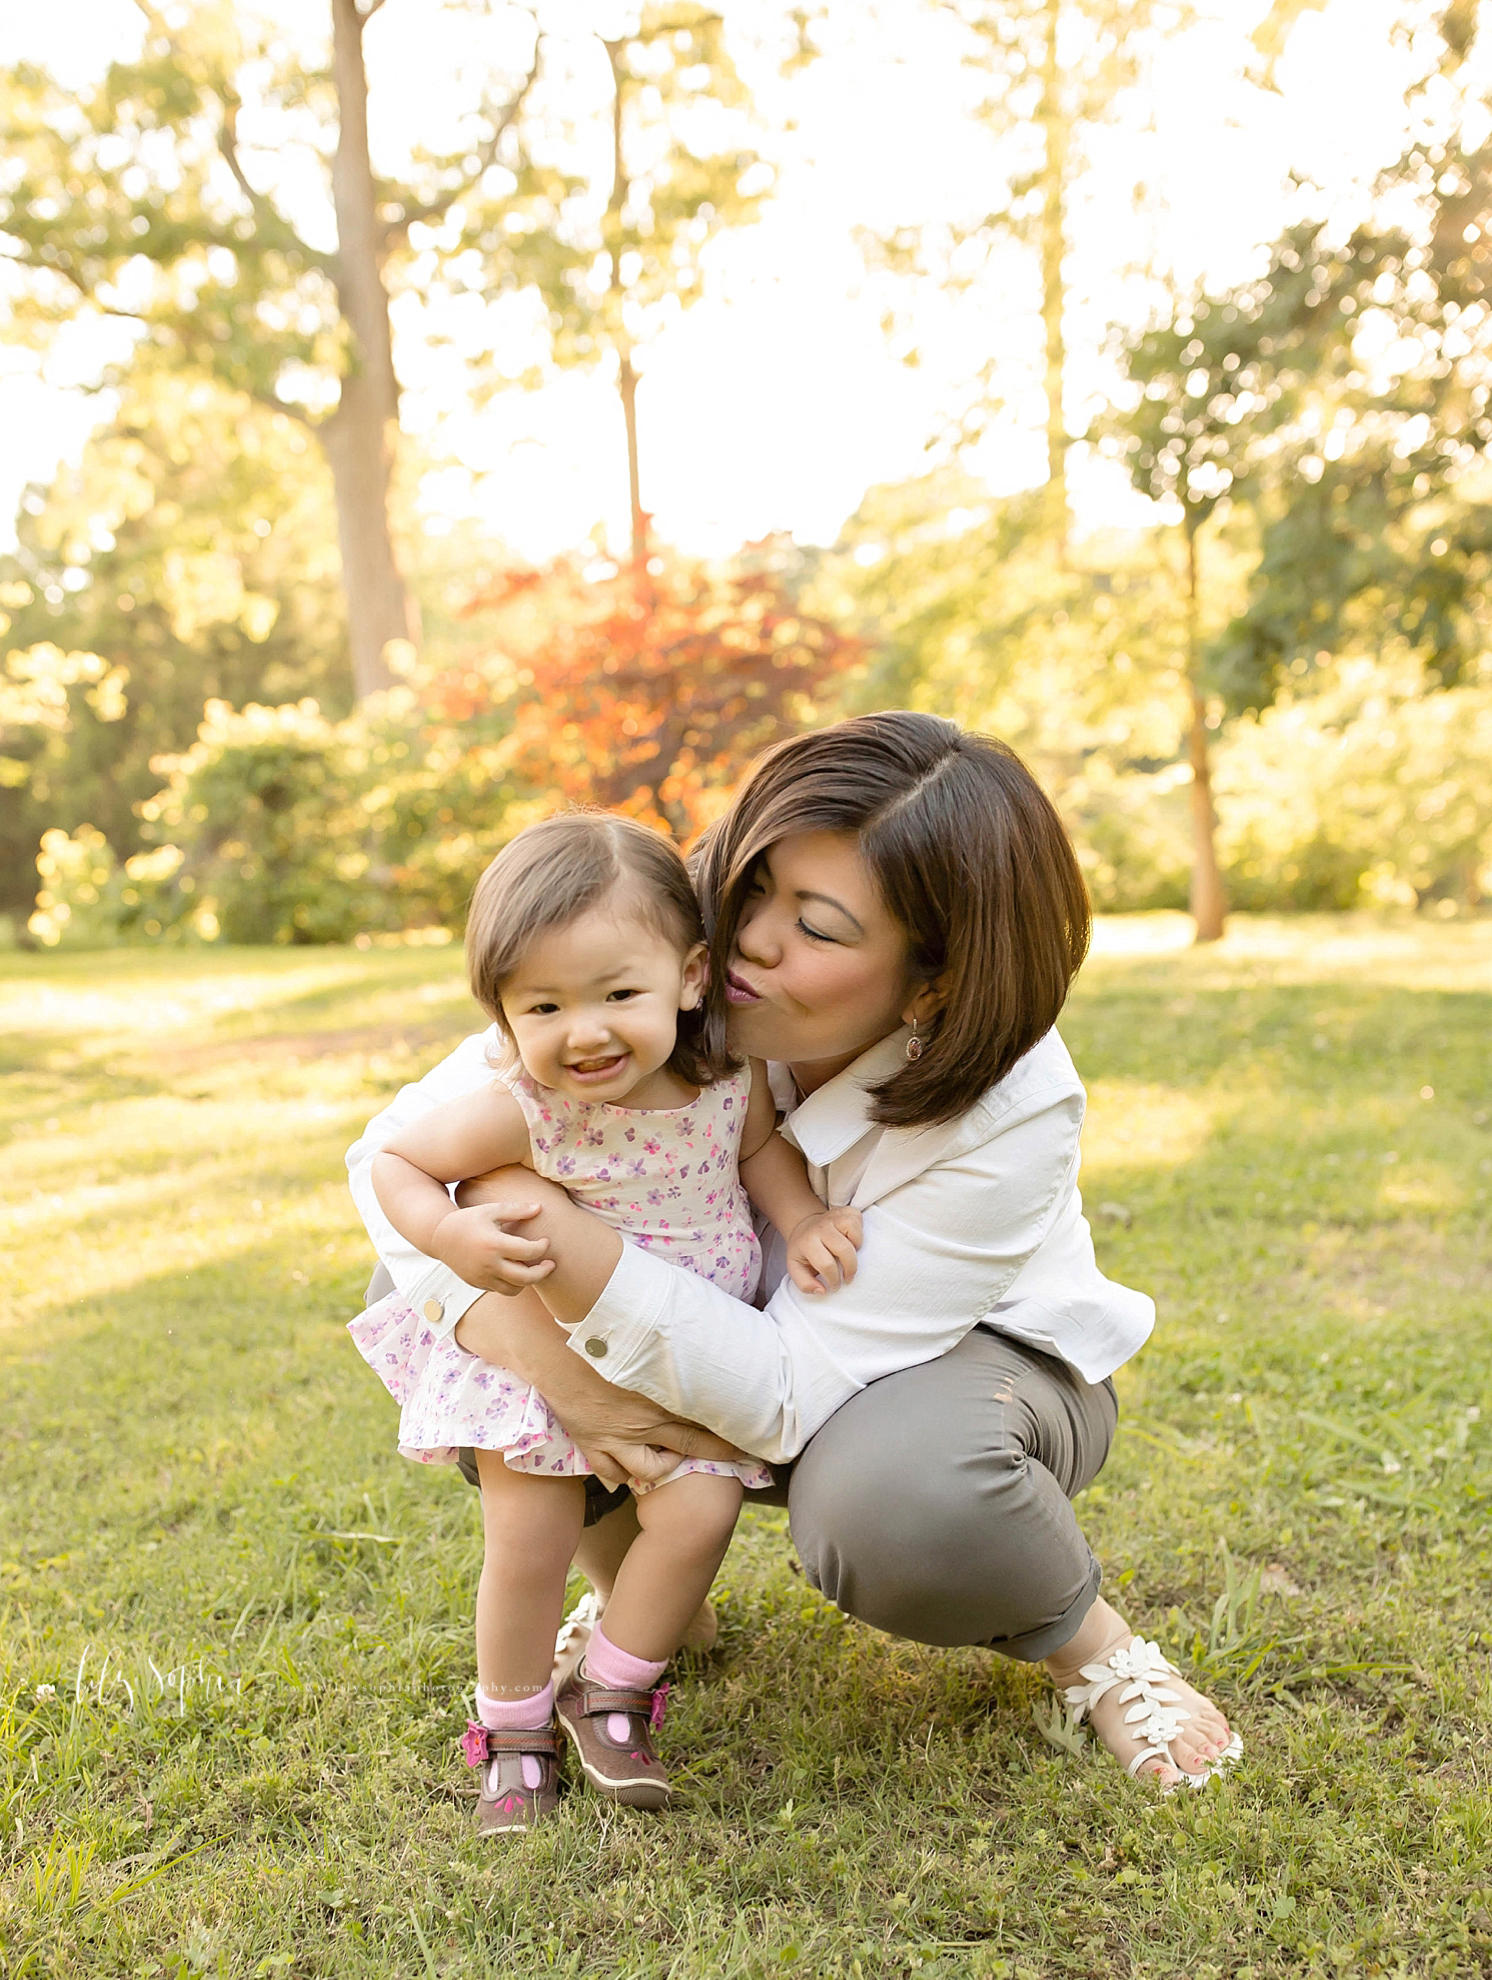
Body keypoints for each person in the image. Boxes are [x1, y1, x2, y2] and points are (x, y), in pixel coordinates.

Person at [348, 713, 1243, 1799]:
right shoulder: (648, 940)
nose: (750, 940)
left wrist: (567, 1245)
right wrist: (550, 1359)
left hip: (949, 1377)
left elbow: (784, 1393)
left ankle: (1088, 1642)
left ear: (932, 981)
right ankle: (647, 1595)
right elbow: (390, 1159)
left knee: (898, 1502)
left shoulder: (1015, 1108)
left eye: (815, 926)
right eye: (751, 883)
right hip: (706, 1324)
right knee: (444, 1267)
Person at [348, 811, 861, 1835]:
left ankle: (613, 1690)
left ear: (689, 974)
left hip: (684, 1359)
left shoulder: (730, 1080)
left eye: (618, 993)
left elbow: (761, 1158)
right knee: (529, 1543)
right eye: (544, 1004)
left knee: (700, 1517)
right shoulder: (527, 1108)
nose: (584, 1031)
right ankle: (511, 1728)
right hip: (547, 1362)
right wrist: (449, 1235)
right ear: (503, 1014)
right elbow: (395, 1162)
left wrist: (802, 1217)